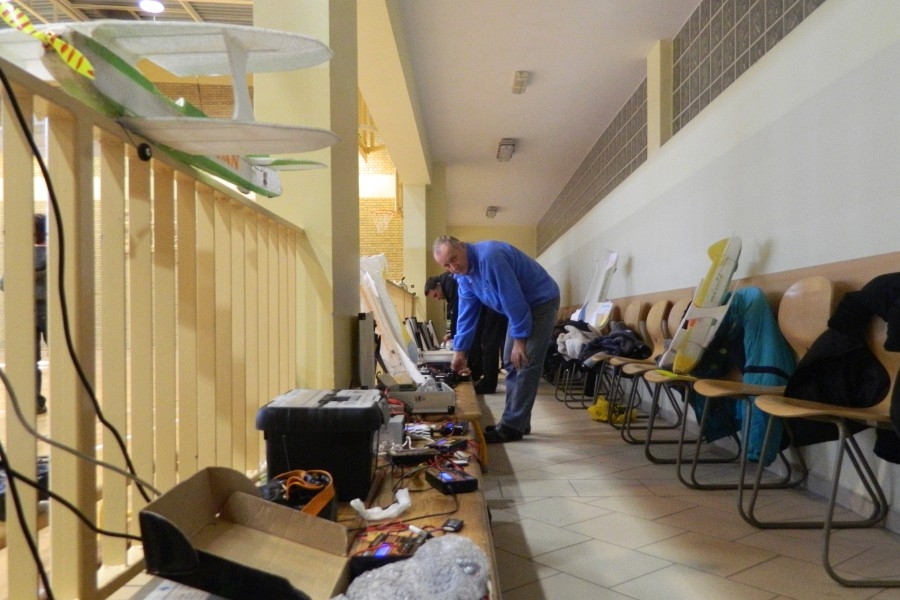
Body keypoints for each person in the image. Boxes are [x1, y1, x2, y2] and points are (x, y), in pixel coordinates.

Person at [432, 235, 560, 443]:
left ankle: (512, 426)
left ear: (462, 246)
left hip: (539, 303)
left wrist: (520, 340)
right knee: (510, 361)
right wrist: (459, 351)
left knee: (524, 361)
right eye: (446, 265)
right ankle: (518, 421)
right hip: (519, 308)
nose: (453, 267)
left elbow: (513, 299)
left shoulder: (490, 257)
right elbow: (467, 313)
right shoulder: (463, 276)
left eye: (454, 258)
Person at [0, 214, 48, 414]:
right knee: (63, 358)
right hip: (50, 311)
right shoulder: (54, 255)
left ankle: (34, 401)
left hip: (27, 312)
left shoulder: (20, 256)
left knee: (30, 360)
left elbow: (4, 284)